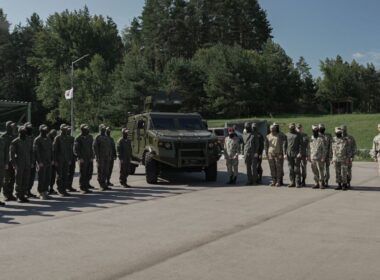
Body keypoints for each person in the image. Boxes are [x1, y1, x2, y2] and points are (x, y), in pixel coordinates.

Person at [10, 126, 34, 202]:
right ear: (19, 132)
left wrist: (32, 162)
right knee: (19, 181)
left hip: (27, 163)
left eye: (25, 131)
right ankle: (18, 196)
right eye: (22, 131)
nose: (24, 133)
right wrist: (14, 164)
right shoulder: (15, 141)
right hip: (19, 164)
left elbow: (31, 152)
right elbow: (12, 154)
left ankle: (23, 195)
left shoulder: (28, 140)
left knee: (26, 180)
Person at [33, 125, 53, 200]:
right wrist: (39, 162)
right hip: (42, 161)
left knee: (48, 177)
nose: (45, 131)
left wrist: (52, 159)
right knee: (42, 177)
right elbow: (36, 152)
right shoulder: (37, 139)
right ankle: (40, 192)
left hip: (48, 161)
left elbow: (51, 150)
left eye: (46, 130)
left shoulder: (48, 139)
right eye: (43, 130)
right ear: (40, 130)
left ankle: (45, 191)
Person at [74, 124, 94, 194]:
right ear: (82, 129)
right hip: (82, 158)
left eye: (87, 129)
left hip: (89, 158)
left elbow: (92, 148)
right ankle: (82, 187)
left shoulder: (90, 137)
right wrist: (79, 158)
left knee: (89, 172)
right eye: (85, 129)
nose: (87, 130)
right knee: (83, 173)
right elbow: (76, 149)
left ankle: (86, 186)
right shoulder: (78, 138)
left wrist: (92, 157)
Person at [53, 124, 72, 196]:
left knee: (65, 174)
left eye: (66, 129)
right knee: (59, 175)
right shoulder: (57, 138)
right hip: (59, 159)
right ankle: (60, 190)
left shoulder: (68, 138)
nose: (66, 130)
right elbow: (54, 150)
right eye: (64, 129)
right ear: (61, 129)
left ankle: (64, 189)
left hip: (66, 159)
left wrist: (70, 159)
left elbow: (69, 149)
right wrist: (55, 160)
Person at [93, 124, 113, 190]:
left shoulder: (107, 137)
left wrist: (110, 155)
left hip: (107, 156)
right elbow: (95, 147)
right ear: (100, 129)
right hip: (100, 157)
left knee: (106, 170)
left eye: (104, 129)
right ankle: (101, 185)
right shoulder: (98, 137)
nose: (104, 130)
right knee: (100, 170)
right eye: (102, 129)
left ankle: (104, 184)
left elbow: (109, 147)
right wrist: (97, 156)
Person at [308, 125, 327, 189]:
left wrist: (323, 157)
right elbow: (308, 148)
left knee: (321, 170)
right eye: (314, 130)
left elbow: (324, 149)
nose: (315, 131)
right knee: (314, 171)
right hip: (313, 157)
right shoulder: (311, 138)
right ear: (312, 130)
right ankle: (316, 183)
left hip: (320, 157)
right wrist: (308, 156)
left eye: (316, 130)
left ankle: (322, 183)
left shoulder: (321, 138)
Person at [2, 121, 17, 201]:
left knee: (13, 178)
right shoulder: (3, 136)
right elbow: (3, 151)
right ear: (8, 127)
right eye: (11, 126)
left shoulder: (15, 136)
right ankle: (6, 194)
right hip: (6, 161)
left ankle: (10, 194)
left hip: (13, 161)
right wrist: (5, 162)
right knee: (6, 179)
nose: (13, 128)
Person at [285, 123, 302, 188]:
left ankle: (297, 182)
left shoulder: (298, 135)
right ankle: (292, 182)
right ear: (289, 127)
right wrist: (284, 153)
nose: (291, 128)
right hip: (289, 154)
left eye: (293, 127)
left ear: (294, 127)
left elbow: (301, 144)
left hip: (296, 154)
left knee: (296, 169)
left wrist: (300, 152)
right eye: (290, 127)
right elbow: (285, 144)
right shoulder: (287, 135)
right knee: (290, 169)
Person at [25, 122, 37, 198]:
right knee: (26, 177)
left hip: (33, 160)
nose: (30, 129)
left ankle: (28, 191)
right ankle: (24, 192)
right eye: (28, 128)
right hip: (25, 160)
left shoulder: (33, 137)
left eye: (30, 128)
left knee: (32, 177)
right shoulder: (22, 137)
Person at [66, 126, 77, 192]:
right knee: (66, 173)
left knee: (71, 173)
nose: (69, 132)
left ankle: (69, 186)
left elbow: (75, 148)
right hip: (66, 159)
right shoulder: (62, 139)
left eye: (70, 131)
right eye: (68, 131)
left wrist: (75, 156)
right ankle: (65, 186)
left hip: (72, 158)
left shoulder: (73, 138)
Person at [48, 129, 58, 195]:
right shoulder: (47, 140)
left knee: (53, 176)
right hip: (48, 161)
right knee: (48, 176)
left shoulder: (56, 140)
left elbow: (56, 151)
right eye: (53, 134)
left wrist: (55, 160)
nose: (54, 136)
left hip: (54, 160)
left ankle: (51, 188)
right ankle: (47, 189)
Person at [0, 132, 8, 206]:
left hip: (1, 164)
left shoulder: (2, 140)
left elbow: (6, 152)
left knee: (0, 182)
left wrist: (6, 163)